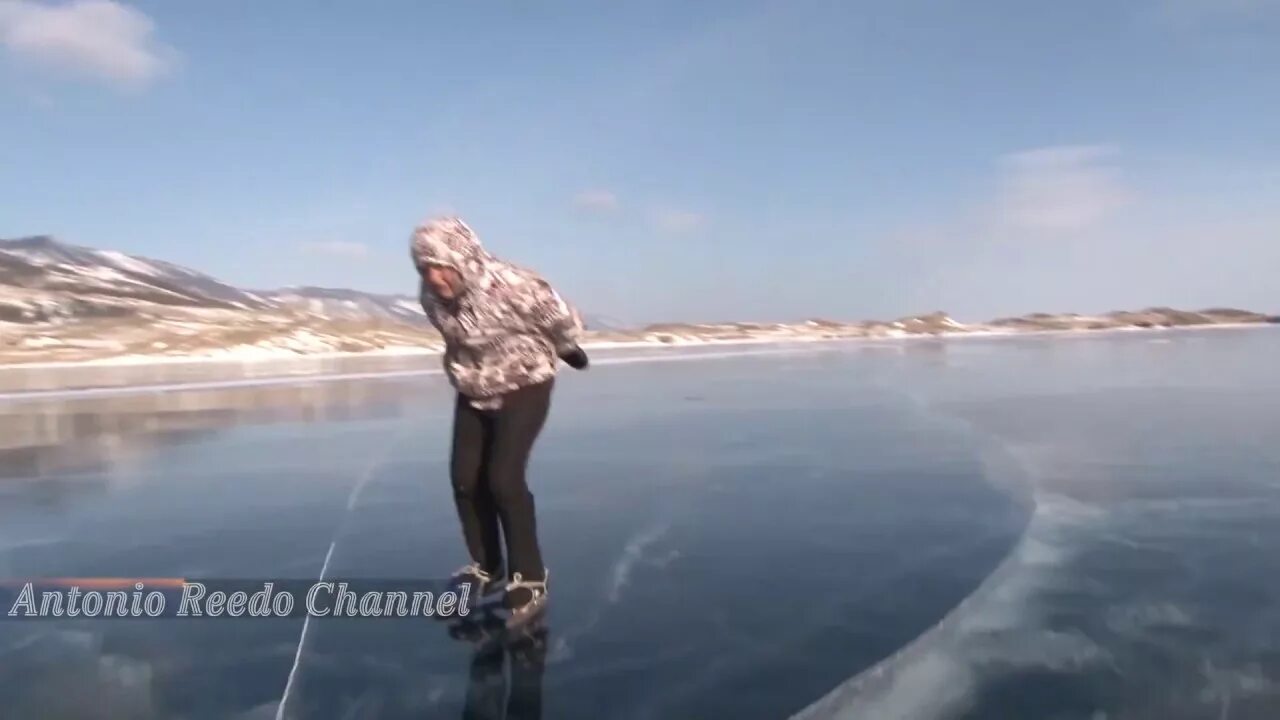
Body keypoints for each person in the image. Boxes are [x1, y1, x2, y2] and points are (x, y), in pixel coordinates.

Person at [411, 216, 589, 628]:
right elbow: (458, 338)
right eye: (424, 269)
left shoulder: (515, 285)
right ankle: (487, 566)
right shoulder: (431, 299)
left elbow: (559, 320)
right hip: (474, 384)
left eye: (441, 265)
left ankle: (530, 578)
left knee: (503, 479)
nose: (434, 277)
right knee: (464, 479)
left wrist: (567, 349)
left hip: (525, 379)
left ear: (463, 257)